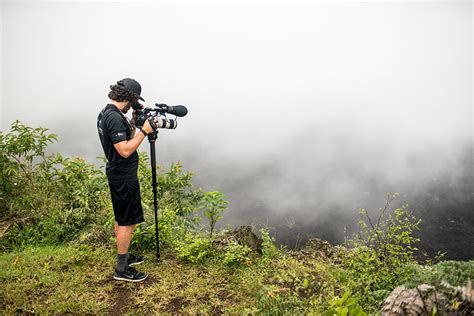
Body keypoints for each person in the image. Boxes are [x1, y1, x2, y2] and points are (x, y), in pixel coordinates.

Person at [97, 78, 157, 282]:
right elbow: (124, 150)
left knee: (121, 218)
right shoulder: (113, 118)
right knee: (127, 221)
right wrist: (144, 131)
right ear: (130, 98)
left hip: (117, 173)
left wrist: (132, 122)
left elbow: (122, 139)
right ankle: (122, 270)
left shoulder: (106, 112)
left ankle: (124, 258)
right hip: (123, 176)